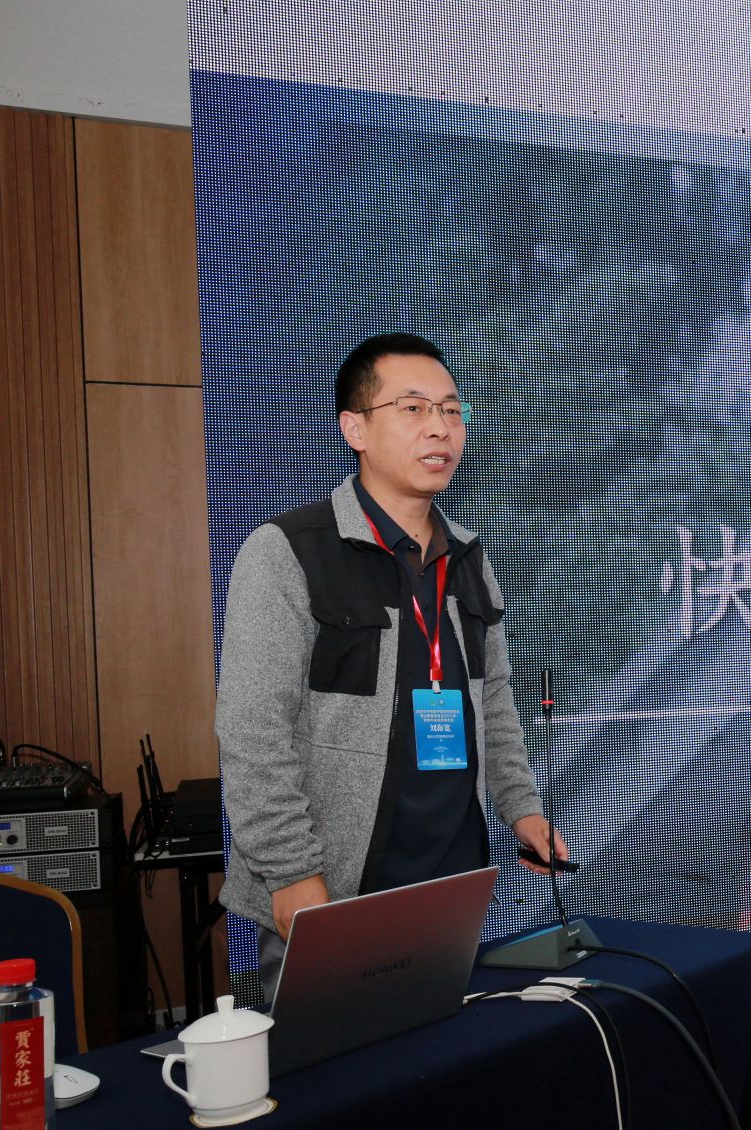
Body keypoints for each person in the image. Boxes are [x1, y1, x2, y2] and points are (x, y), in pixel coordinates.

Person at [216, 332, 566, 996]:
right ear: (355, 428)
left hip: (451, 884)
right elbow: (253, 732)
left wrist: (522, 810)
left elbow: (492, 703)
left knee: (448, 1054)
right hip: (335, 891)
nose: (440, 428)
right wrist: (292, 874)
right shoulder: (288, 552)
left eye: (452, 410)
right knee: (338, 1061)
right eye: (413, 408)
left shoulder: (468, 557)